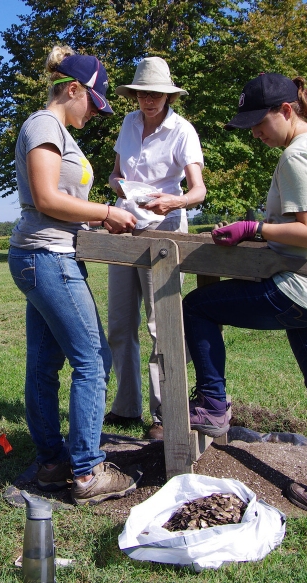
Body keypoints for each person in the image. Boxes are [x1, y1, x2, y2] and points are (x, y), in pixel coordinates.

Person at [182, 73, 307, 516]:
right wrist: (258, 236)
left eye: (259, 122)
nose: (255, 133)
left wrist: (255, 228)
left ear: (287, 110)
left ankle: (211, 403)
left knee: (197, 307)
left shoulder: (298, 155)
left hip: (302, 289)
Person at [8, 45, 141, 505]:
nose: (97, 113)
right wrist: (106, 210)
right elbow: (45, 198)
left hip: (45, 254)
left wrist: (96, 219)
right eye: (95, 102)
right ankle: (86, 472)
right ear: (73, 89)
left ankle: (51, 466)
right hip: (48, 258)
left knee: (45, 365)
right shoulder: (45, 125)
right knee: (94, 360)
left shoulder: (54, 129)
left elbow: (61, 204)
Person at [103, 57, 206, 440]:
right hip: (125, 226)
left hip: (163, 230)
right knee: (120, 322)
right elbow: (116, 174)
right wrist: (122, 188)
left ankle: (164, 413)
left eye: (156, 94)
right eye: (142, 93)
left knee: (159, 324)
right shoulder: (128, 124)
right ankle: (126, 407)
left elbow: (198, 190)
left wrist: (171, 201)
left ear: (167, 95)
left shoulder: (183, 131)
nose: (148, 100)